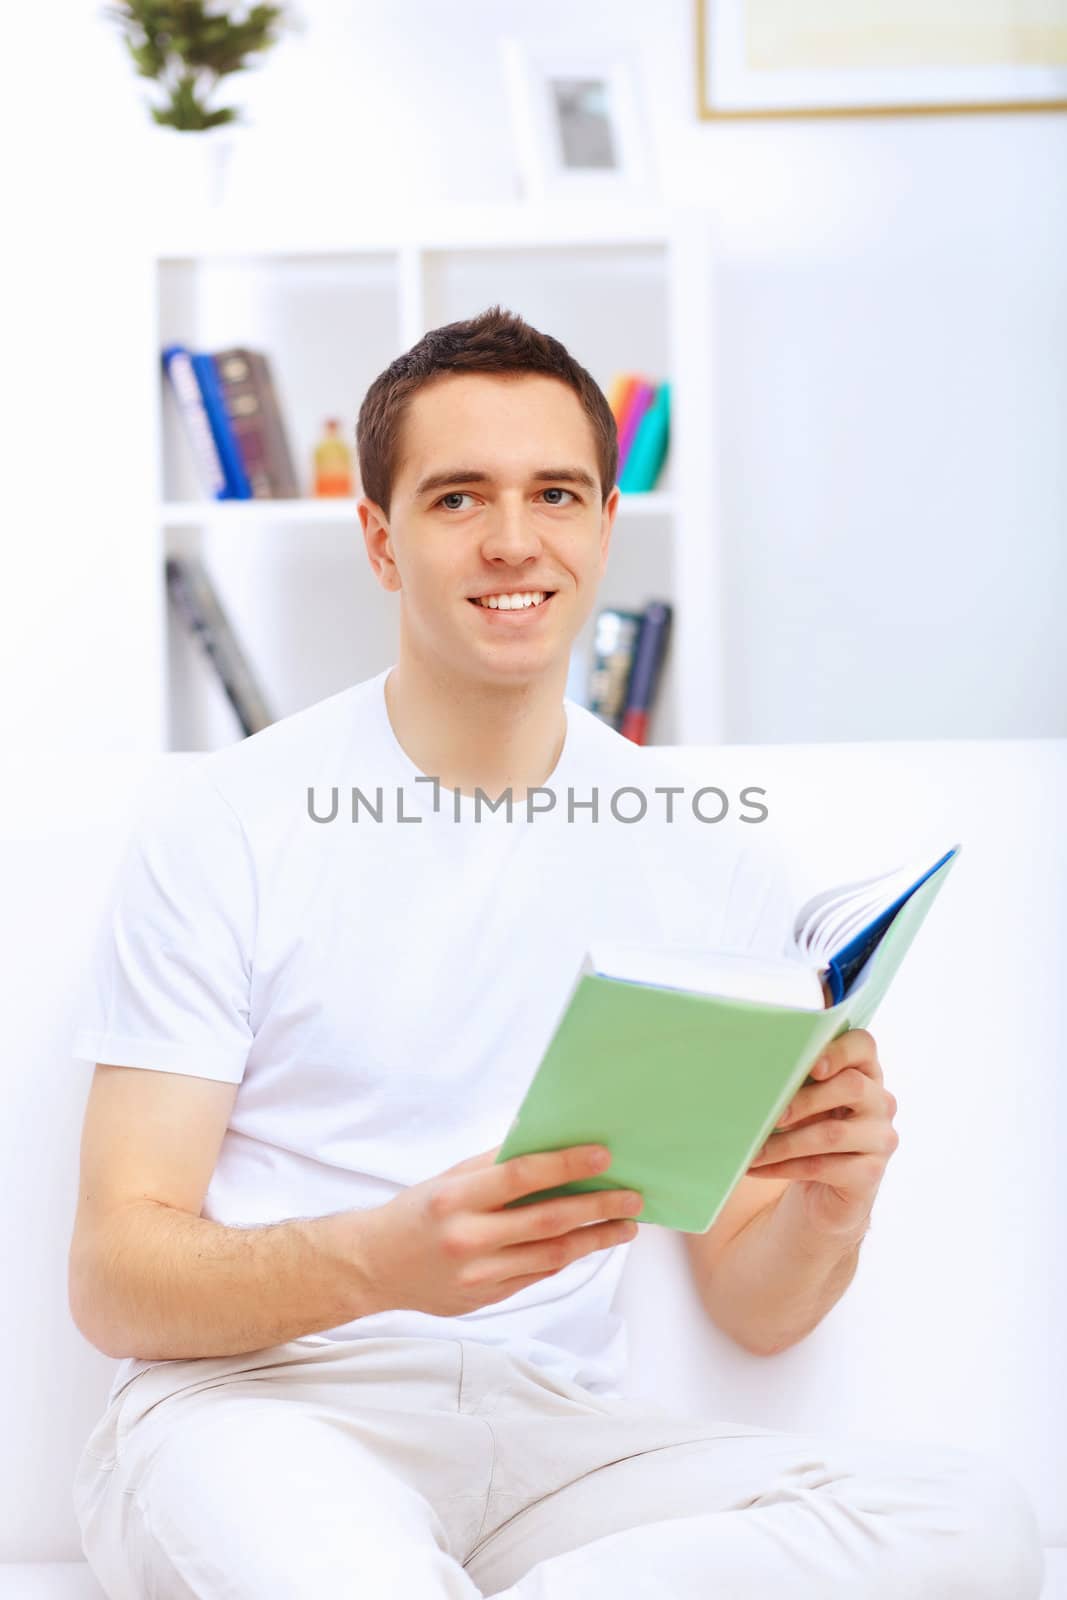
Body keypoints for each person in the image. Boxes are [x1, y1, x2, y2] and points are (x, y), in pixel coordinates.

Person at [68, 306, 1043, 1598]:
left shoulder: (709, 854)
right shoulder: (230, 825)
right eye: (458, 496)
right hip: (269, 1412)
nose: (514, 540)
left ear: (601, 526)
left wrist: (830, 1199)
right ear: (380, 540)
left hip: (559, 1451)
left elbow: (760, 1306)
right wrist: (381, 1259)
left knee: (971, 1524)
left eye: (557, 494)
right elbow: (116, 1279)